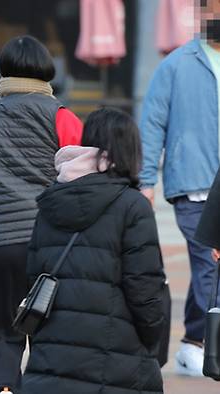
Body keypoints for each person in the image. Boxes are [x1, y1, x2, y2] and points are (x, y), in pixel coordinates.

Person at [0, 35, 83, 394]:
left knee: (0, 330)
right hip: (48, 243)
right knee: (49, 326)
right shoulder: (62, 117)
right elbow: (82, 171)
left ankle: (2, 387)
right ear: (47, 72)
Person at [22, 108, 166, 394]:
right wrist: (152, 338)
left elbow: (33, 273)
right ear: (130, 151)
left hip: (53, 351)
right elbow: (145, 286)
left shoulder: (51, 199)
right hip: (118, 356)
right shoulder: (132, 206)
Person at [140, 0, 220, 376]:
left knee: (209, 268)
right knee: (208, 263)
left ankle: (194, 341)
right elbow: (153, 123)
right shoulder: (175, 65)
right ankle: (206, 346)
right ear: (201, 14)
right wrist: (144, 181)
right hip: (194, 183)